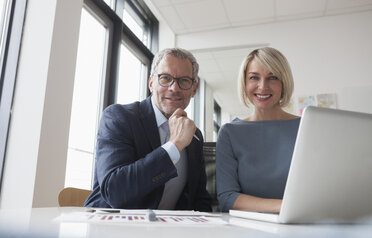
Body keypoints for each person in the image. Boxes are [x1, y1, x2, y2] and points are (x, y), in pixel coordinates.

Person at [84, 48, 211, 211]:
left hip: (166, 232)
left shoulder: (195, 136)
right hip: (112, 228)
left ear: (194, 89)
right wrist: (174, 145)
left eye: (184, 81)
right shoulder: (119, 117)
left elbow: (199, 198)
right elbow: (115, 191)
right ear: (151, 83)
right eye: (165, 78)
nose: (174, 88)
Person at [216, 47, 300, 213]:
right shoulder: (230, 132)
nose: (263, 86)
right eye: (254, 77)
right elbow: (227, 197)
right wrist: (284, 207)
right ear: (245, 83)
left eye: (273, 78)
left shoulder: (306, 128)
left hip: (303, 223)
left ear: (284, 83)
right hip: (249, 227)